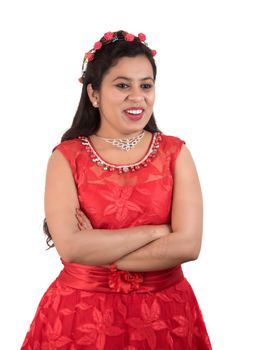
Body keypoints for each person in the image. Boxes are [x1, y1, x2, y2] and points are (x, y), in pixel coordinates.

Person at [21, 30, 212, 349]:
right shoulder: (66, 158)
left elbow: (189, 246)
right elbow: (71, 248)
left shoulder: (175, 153)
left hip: (165, 315)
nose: (137, 97)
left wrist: (97, 248)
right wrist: (158, 232)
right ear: (94, 94)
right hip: (80, 318)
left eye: (146, 85)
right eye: (122, 85)